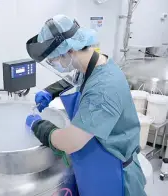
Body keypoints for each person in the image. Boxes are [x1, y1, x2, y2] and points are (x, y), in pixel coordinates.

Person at [25, 15, 146, 196]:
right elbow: (77, 81)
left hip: (114, 177)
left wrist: (39, 126)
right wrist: (51, 91)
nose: (54, 64)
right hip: (95, 169)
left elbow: (69, 142)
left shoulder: (104, 89)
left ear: (69, 51)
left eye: (53, 60)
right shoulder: (93, 64)